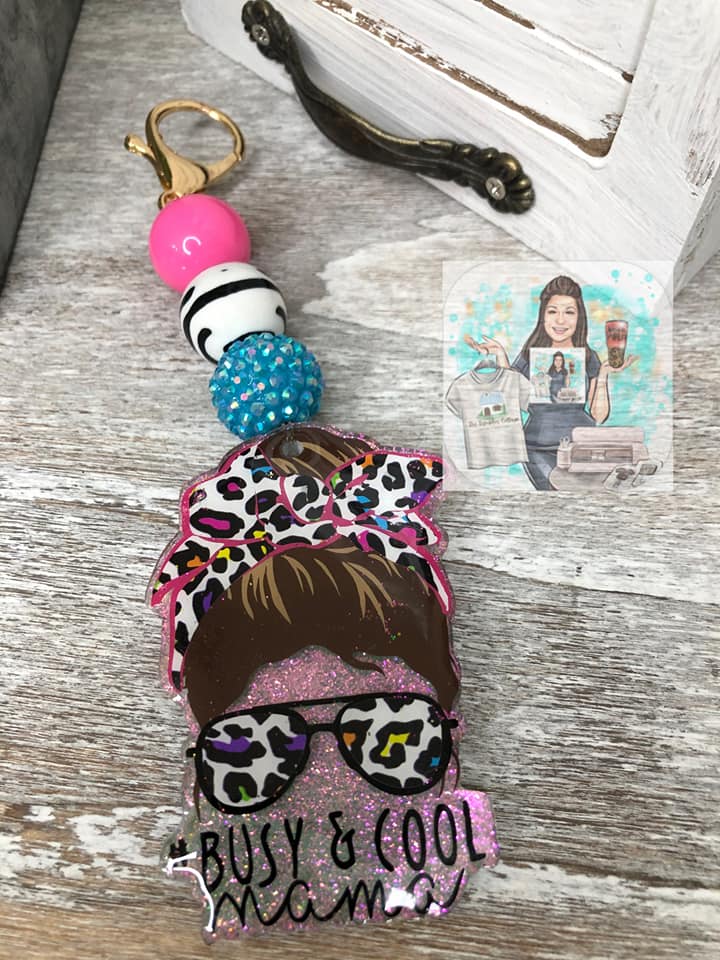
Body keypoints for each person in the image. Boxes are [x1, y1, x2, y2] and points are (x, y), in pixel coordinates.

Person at [466, 275, 637, 490]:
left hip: (582, 447)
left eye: (569, 312)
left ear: (579, 317)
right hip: (537, 446)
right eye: (553, 311)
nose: (560, 320)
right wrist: (500, 354)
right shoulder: (530, 356)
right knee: (557, 490)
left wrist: (603, 375)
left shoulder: (588, 357)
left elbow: (599, 416)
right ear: (543, 316)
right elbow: (511, 398)